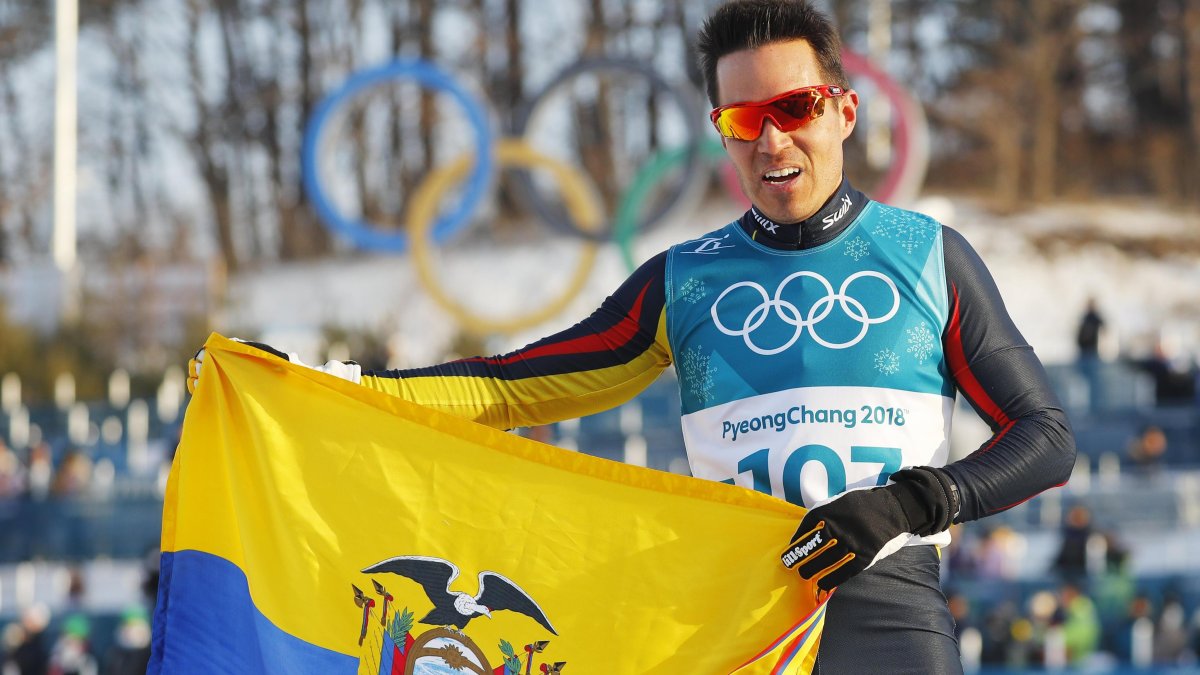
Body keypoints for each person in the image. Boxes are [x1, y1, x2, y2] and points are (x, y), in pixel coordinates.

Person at [188, 1, 1076, 670]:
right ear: (719, 134)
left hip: (889, 617)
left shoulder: (927, 256)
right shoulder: (682, 281)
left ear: (844, 110)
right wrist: (328, 384)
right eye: (742, 120)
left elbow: (1045, 438)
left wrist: (914, 502)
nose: (772, 141)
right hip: (729, 623)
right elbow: (508, 386)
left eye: (795, 106)